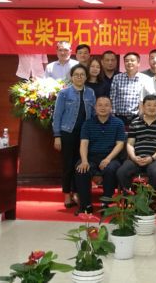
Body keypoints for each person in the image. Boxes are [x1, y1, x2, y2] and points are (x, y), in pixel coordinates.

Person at [52, 64, 96, 208]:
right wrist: (57, 136)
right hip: (67, 133)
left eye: (82, 74)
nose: (79, 77)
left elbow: (93, 114)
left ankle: (77, 192)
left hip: (84, 135)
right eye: (76, 74)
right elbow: (57, 116)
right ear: (71, 77)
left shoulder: (90, 93)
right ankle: (67, 195)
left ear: (86, 77)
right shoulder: (64, 93)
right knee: (68, 165)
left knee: (80, 164)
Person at [74, 96, 126, 214]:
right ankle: (85, 205)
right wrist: (84, 161)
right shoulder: (88, 124)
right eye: (100, 105)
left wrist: (108, 159)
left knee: (110, 169)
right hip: (91, 157)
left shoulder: (118, 123)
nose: (103, 108)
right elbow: (84, 144)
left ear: (111, 108)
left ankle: (106, 203)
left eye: (106, 105)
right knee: (81, 169)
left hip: (111, 157)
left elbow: (120, 144)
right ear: (95, 107)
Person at [116, 94, 156, 191]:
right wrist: (134, 157)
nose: (152, 108)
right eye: (148, 105)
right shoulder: (135, 122)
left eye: (155, 105)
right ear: (143, 107)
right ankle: (131, 197)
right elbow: (129, 144)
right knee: (121, 172)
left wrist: (152, 158)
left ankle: (148, 199)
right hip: (136, 158)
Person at [110, 52, 148, 128]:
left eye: (132, 60)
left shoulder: (146, 79)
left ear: (138, 63)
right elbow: (112, 97)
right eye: (126, 61)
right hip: (119, 117)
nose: (129, 62)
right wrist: (113, 115)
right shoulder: (117, 78)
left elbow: (147, 99)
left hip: (138, 118)